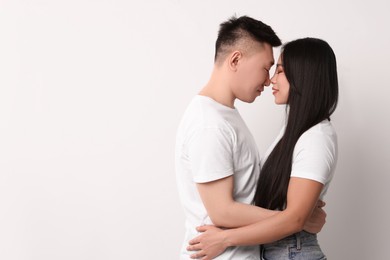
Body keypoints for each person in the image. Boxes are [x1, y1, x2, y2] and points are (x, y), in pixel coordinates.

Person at [175, 16, 326, 260]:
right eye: (266, 68)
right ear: (235, 59)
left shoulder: (224, 116)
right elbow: (222, 211)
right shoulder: (209, 124)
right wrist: (297, 219)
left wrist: (297, 216)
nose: (268, 80)